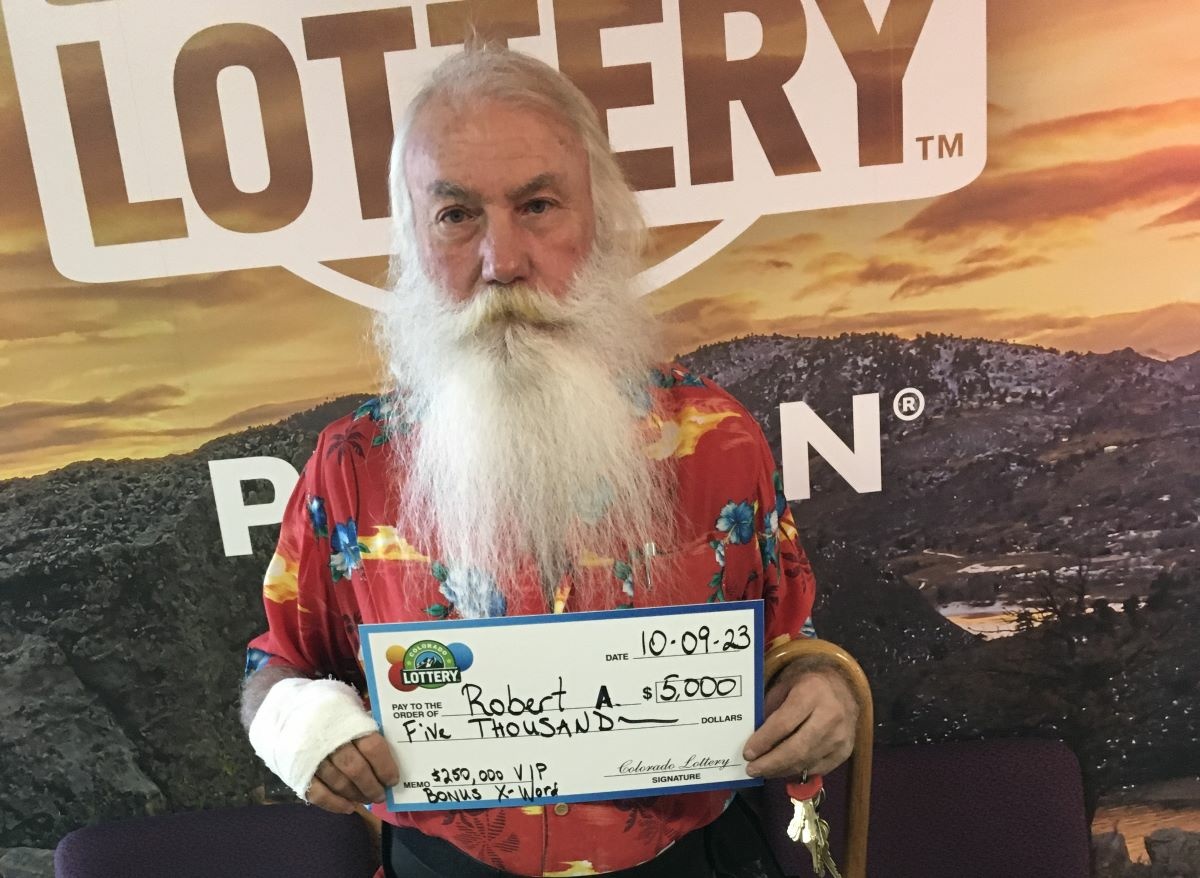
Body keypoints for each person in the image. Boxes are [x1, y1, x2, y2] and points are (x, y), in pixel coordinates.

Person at [242, 44, 858, 878]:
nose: (503, 263)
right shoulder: (352, 465)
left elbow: (793, 640)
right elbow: (276, 659)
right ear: (413, 241)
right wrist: (295, 723)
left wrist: (823, 697)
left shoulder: (719, 438)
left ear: (597, 219)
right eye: (456, 215)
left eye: (537, 204)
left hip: (692, 858)